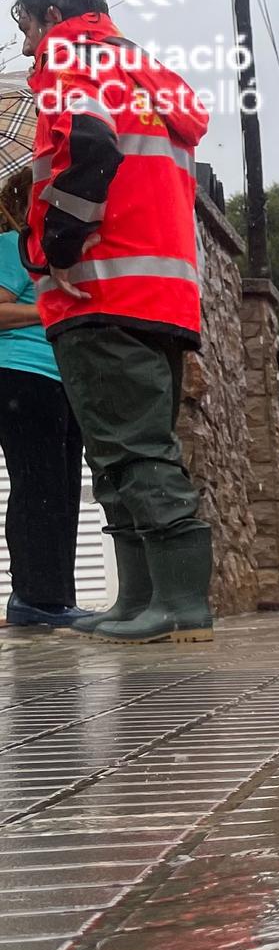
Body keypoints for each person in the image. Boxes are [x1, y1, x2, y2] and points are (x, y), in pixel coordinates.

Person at [12, 0, 212, 644]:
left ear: (50, 16)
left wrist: (55, 248)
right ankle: (141, 599)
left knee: (131, 451)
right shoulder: (142, 73)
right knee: (126, 452)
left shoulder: (71, 60)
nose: (25, 49)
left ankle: (178, 607)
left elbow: (90, 147)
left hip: (100, 287)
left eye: (24, 31)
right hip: (163, 292)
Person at [0, 165, 88, 627]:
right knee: (38, 483)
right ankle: (33, 597)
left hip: (61, 378)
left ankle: (57, 596)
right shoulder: (8, 248)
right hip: (19, 376)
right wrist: (46, 308)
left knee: (64, 486)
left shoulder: (46, 255)